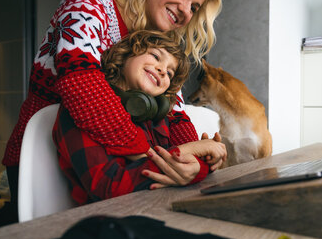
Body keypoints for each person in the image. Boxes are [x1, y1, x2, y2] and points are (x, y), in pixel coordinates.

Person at [0, 0, 222, 223]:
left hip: (121, 171)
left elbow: (174, 115)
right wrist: (171, 156)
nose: (186, 11)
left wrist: (196, 163)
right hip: (43, 157)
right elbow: (80, 82)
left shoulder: (155, 47)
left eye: (194, 8)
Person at [53, 30, 226, 205]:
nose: (162, 70)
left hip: (161, 207)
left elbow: (186, 166)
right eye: (155, 56)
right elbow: (110, 189)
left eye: (170, 73)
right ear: (124, 55)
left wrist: (202, 164)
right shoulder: (85, 108)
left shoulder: (158, 118)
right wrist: (190, 151)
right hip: (108, 220)